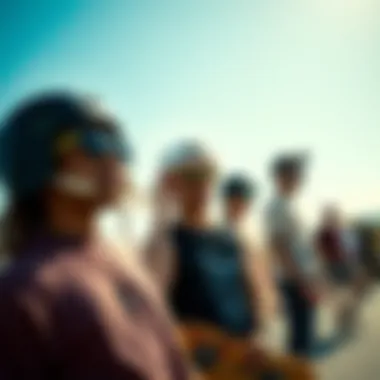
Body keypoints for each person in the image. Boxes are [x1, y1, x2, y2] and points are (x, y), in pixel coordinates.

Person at [0, 92, 190, 380]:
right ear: (37, 160)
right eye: (95, 142)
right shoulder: (22, 294)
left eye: (120, 146)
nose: (114, 157)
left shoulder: (124, 259)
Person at [265, 153, 320, 359]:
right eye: (296, 174)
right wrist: (302, 281)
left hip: (303, 277)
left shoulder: (290, 204)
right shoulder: (277, 206)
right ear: (281, 176)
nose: (300, 179)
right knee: (300, 339)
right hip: (295, 280)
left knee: (304, 336)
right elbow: (280, 247)